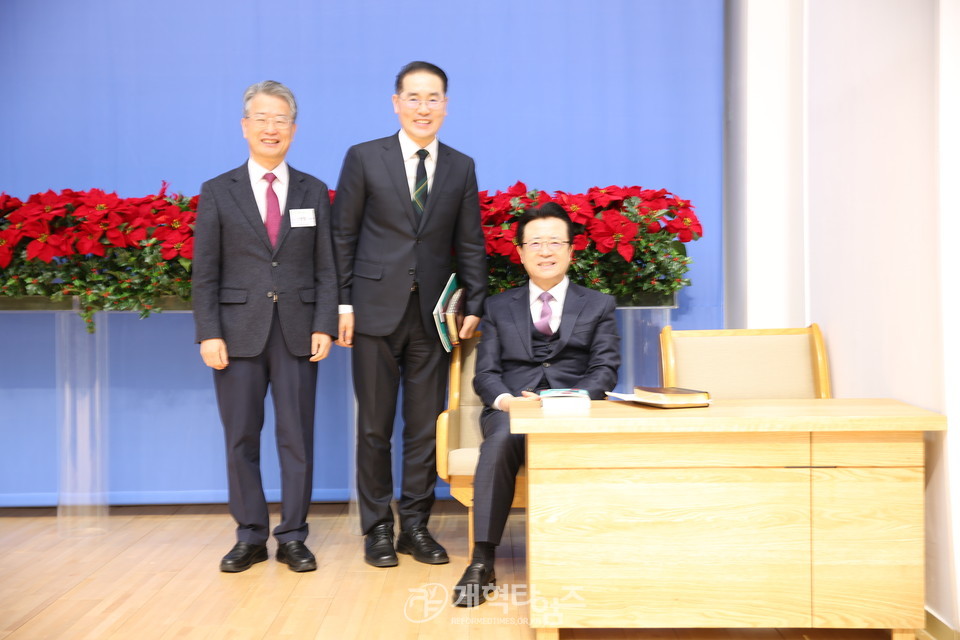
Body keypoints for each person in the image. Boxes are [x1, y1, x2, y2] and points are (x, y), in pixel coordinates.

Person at [332, 61, 488, 568]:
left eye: (434, 98)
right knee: (375, 428)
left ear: (446, 105)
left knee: (424, 427)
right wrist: (344, 303)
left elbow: (469, 242)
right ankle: (377, 529)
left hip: (435, 316)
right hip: (374, 312)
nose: (424, 108)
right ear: (396, 102)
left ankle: (415, 527)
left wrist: (475, 304)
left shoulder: (461, 166)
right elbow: (343, 236)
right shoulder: (363, 158)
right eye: (414, 98)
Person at [192, 81, 338, 573]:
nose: (271, 128)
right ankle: (250, 535)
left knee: (297, 437)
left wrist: (324, 323)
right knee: (241, 438)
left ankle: (293, 536)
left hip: (298, 330)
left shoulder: (313, 190)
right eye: (261, 118)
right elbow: (205, 272)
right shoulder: (218, 191)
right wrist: (208, 332)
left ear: (293, 129)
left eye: (281, 120)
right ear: (244, 126)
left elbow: (327, 268)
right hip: (236, 331)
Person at [452, 202, 621, 606]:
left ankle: (592, 553)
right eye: (536, 243)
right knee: (497, 444)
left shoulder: (599, 305)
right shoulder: (497, 306)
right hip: (513, 409)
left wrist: (562, 400)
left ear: (571, 251)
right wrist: (508, 401)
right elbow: (486, 374)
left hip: (575, 410)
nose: (545, 251)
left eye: (554, 243)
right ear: (521, 252)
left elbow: (605, 370)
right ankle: (482, 558)